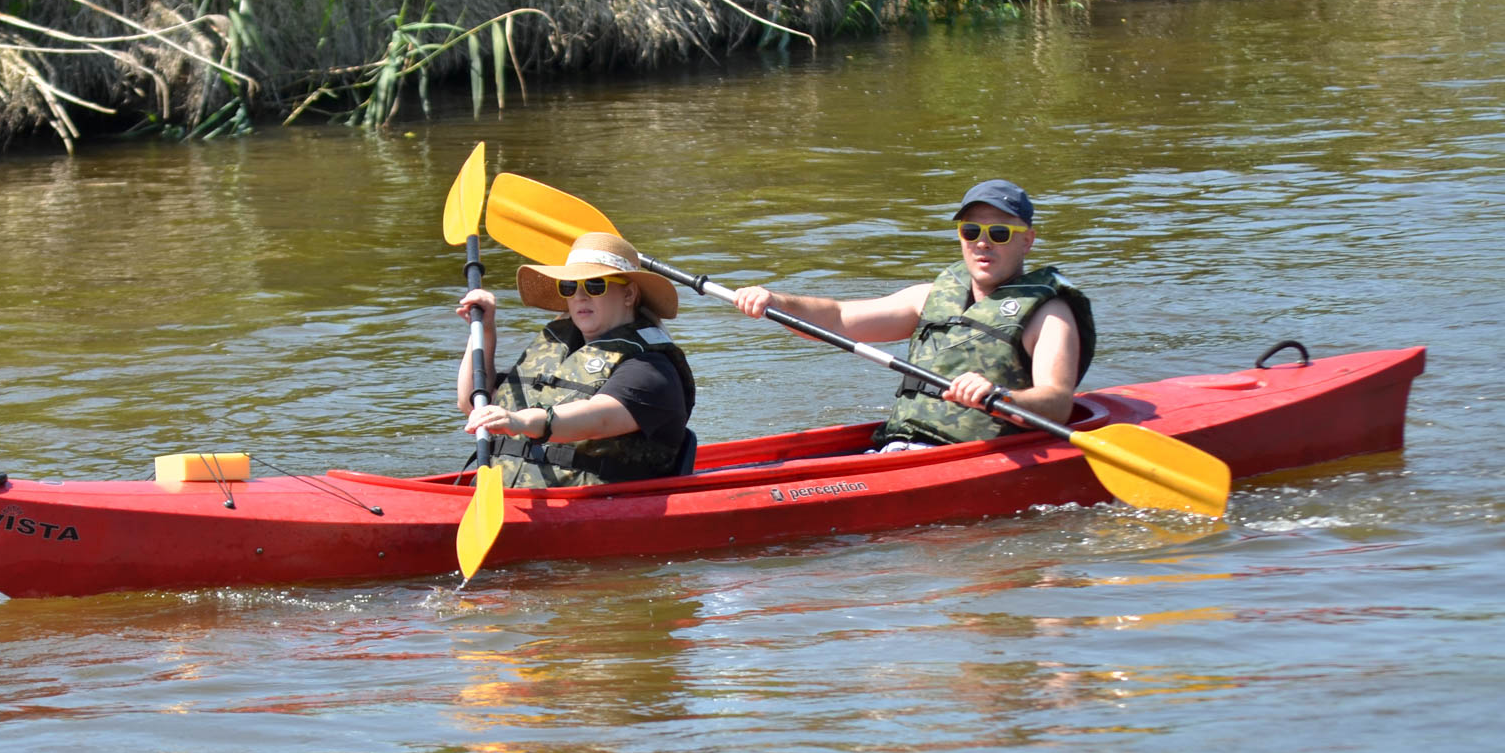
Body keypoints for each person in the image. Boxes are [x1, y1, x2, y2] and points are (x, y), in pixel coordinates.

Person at [731, 179, 1094, 449]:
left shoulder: (1049, 315)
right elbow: (838, 318)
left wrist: (1000, 395)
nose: (982, 242)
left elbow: (1058, 404)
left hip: (973, 456)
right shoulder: (927, 298)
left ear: (1027, 241)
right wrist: (776, 301)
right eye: (971, 231)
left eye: (999, 233)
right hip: (900, 447)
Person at [459, 231, 696, 487]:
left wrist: (522, 421)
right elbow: (471, 403)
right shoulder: (554, 348)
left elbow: (599, 419)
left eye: (595, 285)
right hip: (504, 495)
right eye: (570, 287)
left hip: (600, 501)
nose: (580, 296)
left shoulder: (650, 368)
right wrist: (484, 331)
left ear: (629, 294)